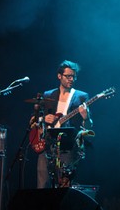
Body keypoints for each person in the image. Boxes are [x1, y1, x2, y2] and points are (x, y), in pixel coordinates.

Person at [29, 59, 93, 189]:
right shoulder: (48, 95)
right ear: (59, 76)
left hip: (67, 147)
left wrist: (86, 117)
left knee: (64, 186)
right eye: (68, 76)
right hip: (47, 144)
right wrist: (43, 119)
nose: (71, 79)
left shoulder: (81, 96)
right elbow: (33, 120)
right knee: (42, 184)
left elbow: (89, 128)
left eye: (73, 77)